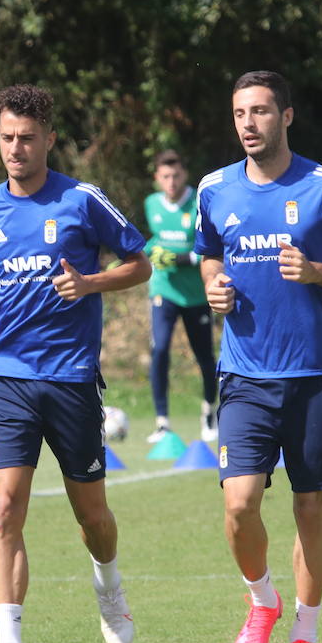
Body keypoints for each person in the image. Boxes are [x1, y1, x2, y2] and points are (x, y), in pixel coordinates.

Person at [0, 83, 151, 643]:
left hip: (71, 380)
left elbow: (140, 263)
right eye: (6, 138)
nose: (15, 148)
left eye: (27, 138)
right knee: (5, 508)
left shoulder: (83, 201)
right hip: (6, 376)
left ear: (49, 139)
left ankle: (108, 584)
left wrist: (89, 284)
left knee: (93, 515)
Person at [194, 71, 322, 643]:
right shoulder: (214, 189)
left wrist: (317, 271)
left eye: (260, 112)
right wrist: (211, 285)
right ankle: (262, 602)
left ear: (287, 116)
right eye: (239, 113)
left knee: (311, 510)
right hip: (245, 375)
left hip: (315, 374)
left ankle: (306, 638)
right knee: (239, 505)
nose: (249, 123)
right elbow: (208, 251)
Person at [142, 150, 219, 444]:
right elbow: (156, 241)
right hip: (163, 291)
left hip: (197, 294)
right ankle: (162, 423)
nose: (171, 182)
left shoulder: (198, 202)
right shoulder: (151, 204)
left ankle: (209, 414)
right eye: (165, 177)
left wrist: (177, 258)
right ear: (157, 179)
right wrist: (151, 252)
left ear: (184, 175)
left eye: (176, 176)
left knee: (204, 356)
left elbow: (208, 249)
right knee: (159, 350)